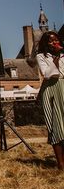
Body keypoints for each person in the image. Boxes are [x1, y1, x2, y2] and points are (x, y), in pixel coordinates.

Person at [36, 31, 64, 170]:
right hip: (51, 89)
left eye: (56, 40)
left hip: (63, 87)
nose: (54, 43)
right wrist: (56, 59)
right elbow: (47, 74)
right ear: (46, 43)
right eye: (51, 41)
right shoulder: (41, 56)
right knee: (55, 124)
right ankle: (60, 164)